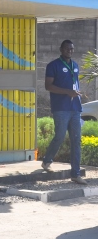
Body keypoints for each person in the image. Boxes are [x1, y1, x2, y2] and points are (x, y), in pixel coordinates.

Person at [40, 40, 88, 185]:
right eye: (67, 48)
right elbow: (48, 86)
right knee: (60, 137)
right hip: (61, 108)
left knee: (76, 140)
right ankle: (47, 161)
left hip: (75, 108)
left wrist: (77, 93)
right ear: (61, 49)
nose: (70, 51)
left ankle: (75, 174)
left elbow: (74, 83)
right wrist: (67, 92)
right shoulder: (53, 65)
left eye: (72, 49)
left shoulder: (75, 65)